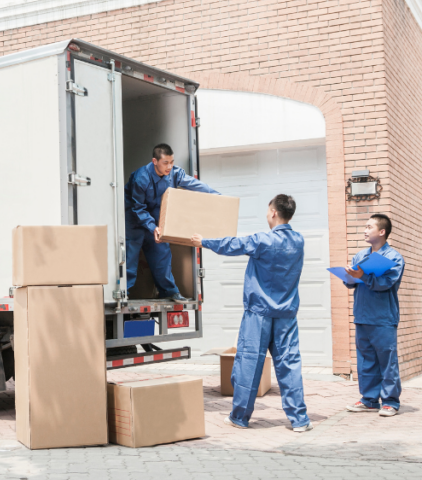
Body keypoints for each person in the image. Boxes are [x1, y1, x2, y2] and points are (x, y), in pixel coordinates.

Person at [190, 194, 312, 433]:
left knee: (249, 364)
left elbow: (233, 245)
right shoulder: (298, 241)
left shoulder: (263, 240)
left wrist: (203, 242)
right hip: (286, 314)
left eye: (268, 210)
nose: (267, 214)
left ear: (274, 212)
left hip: (259, 314)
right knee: (289, 365)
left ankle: (240, 417)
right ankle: (300, 420)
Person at [125, 143, 218, 302]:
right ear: (155, 161)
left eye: (172, 162)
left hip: (155, 215)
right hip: (134, 217)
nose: (169, 166)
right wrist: (152, 227)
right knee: (130, 255)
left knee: (162, 252)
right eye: (165, 163)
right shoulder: (141, 178)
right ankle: (124, 293)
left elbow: (195, 184)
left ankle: (169, 292)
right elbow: (138, 208)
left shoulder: (175, 173)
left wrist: (217, 196)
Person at [341, 214, 405, 417]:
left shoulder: (394, 258)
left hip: (383, 317)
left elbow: (386, 284)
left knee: (387, 361)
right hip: (362, 316)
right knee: (366, 360)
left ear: (382, 231)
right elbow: (350, 283)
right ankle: (369, 400)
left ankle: (390, 402)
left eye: (369, 227)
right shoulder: (360, 256)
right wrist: (349, 276)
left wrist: (363, 276)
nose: (364, 230)